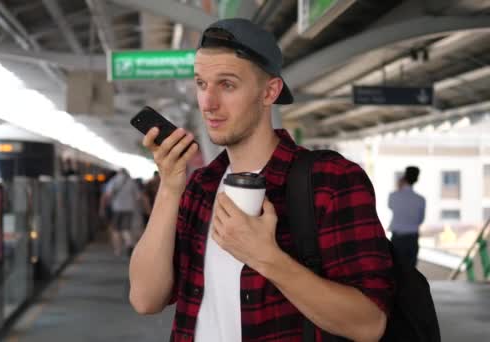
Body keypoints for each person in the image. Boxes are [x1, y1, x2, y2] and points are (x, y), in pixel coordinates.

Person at [129, 18, 394, 342]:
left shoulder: (330, 181)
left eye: (227, 85)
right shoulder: (200, 187)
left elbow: (368, 324)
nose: (208, 103)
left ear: (270, 91)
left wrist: (264, 256)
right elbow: (144, 299)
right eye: (201, 84)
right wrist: (170, 187)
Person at [388, 166, 426, 268]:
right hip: (412, 239)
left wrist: (399, 187)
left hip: (397, 239)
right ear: (417, 179)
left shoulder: (393, 196)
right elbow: (420, 220)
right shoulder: (421, 199)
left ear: (404, 177)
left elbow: (390, 206)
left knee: (397, 272)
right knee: (411, 272)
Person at [101, 168, 140, 257]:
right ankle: (129, 243)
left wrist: (104, 207)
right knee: (126, 228)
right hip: (129, 209)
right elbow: (138, 197)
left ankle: (118, 250)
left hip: (117, 208)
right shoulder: (131, 182)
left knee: (116, 230)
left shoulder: (113, 181)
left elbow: (108, 195)